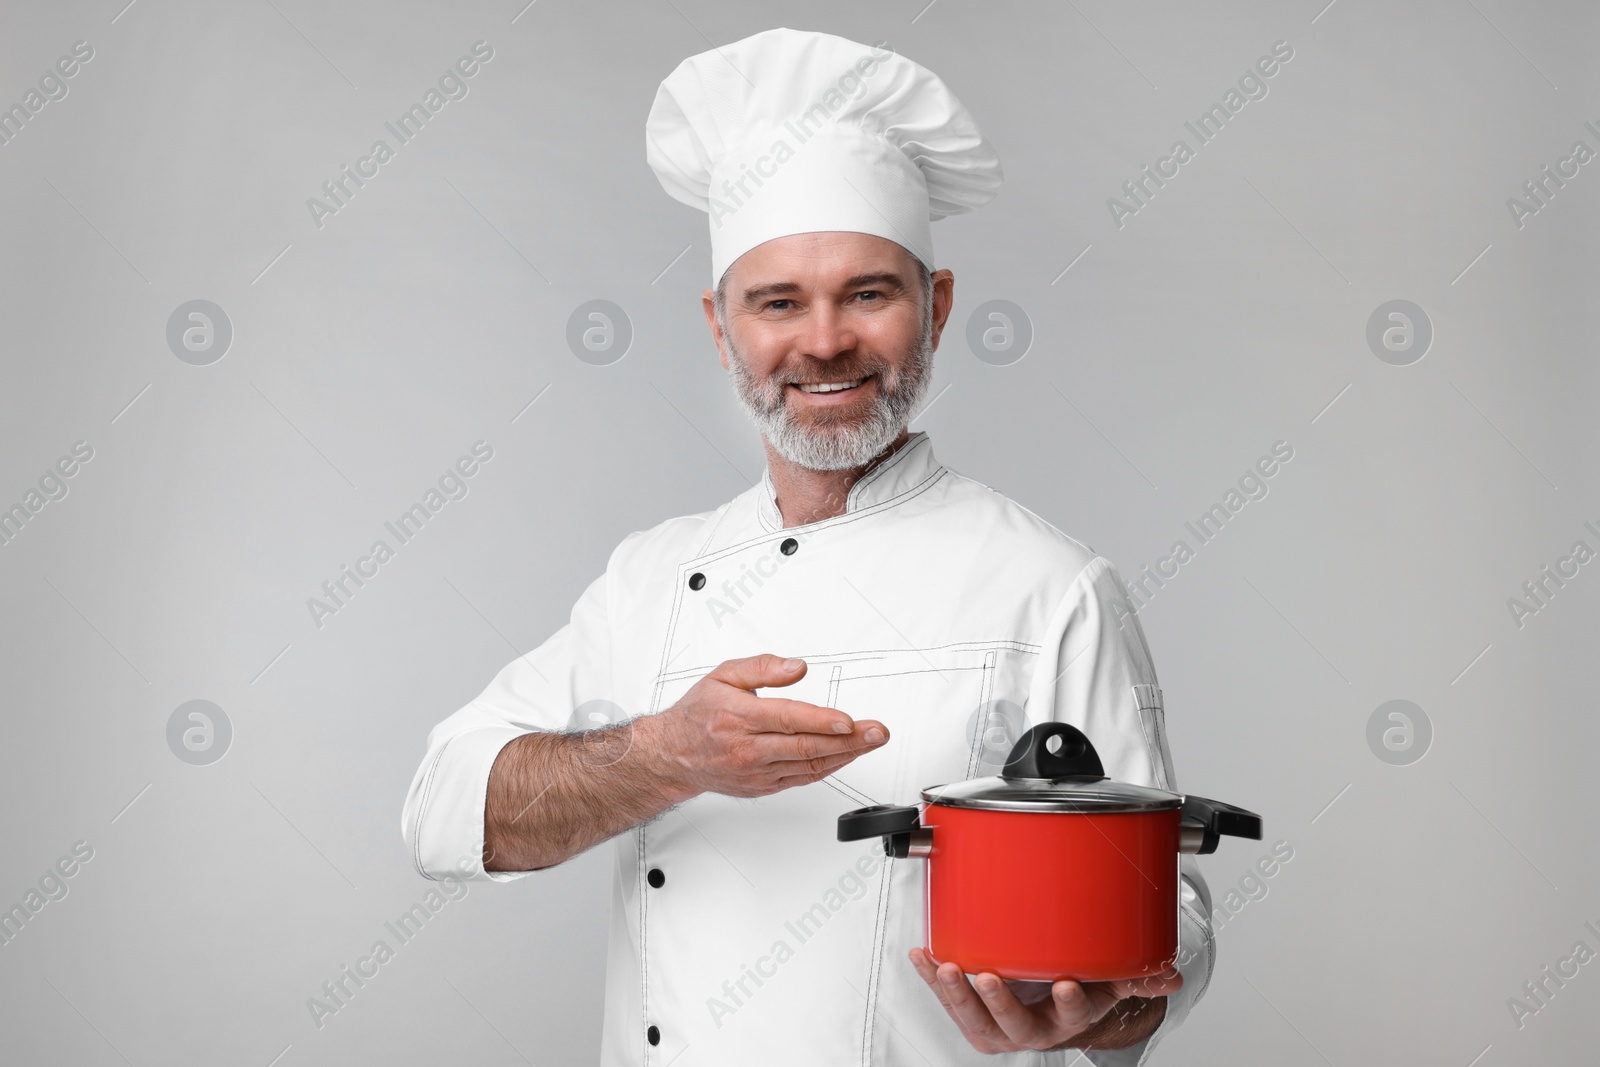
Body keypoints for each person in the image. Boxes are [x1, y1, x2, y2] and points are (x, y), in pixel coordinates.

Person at [402, 26, 1214, 1066]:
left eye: (868, 292)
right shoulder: (646, 577)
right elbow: (444, 811)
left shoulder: (1049, 587)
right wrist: (659, 756)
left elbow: (1169, 914)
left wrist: (1108, 1006)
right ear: (719, 325)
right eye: (777, 301)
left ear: (938, 306)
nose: (823, 340)